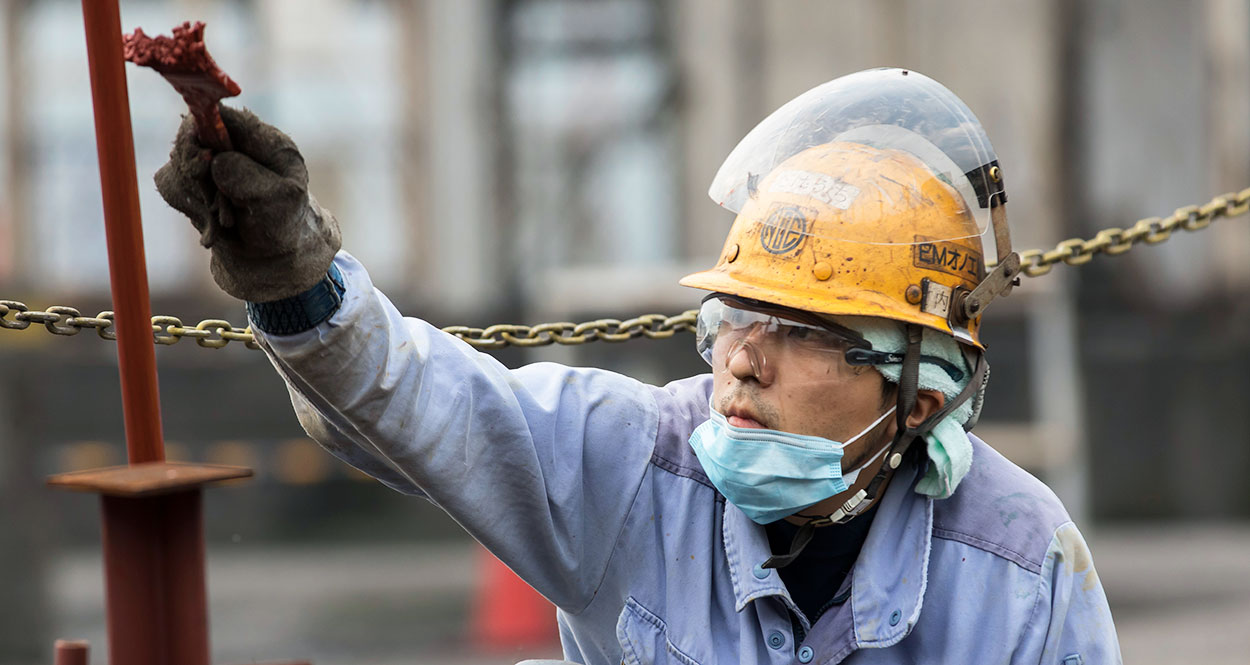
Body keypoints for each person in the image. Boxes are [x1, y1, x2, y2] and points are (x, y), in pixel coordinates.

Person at [157, 68, 1121, 663]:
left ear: (917, 394)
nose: (742, 358)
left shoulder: (1020, 566)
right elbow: (419, 401)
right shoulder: (630, 466)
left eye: (802, 330)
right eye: (737, 314)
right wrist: (292, 277)